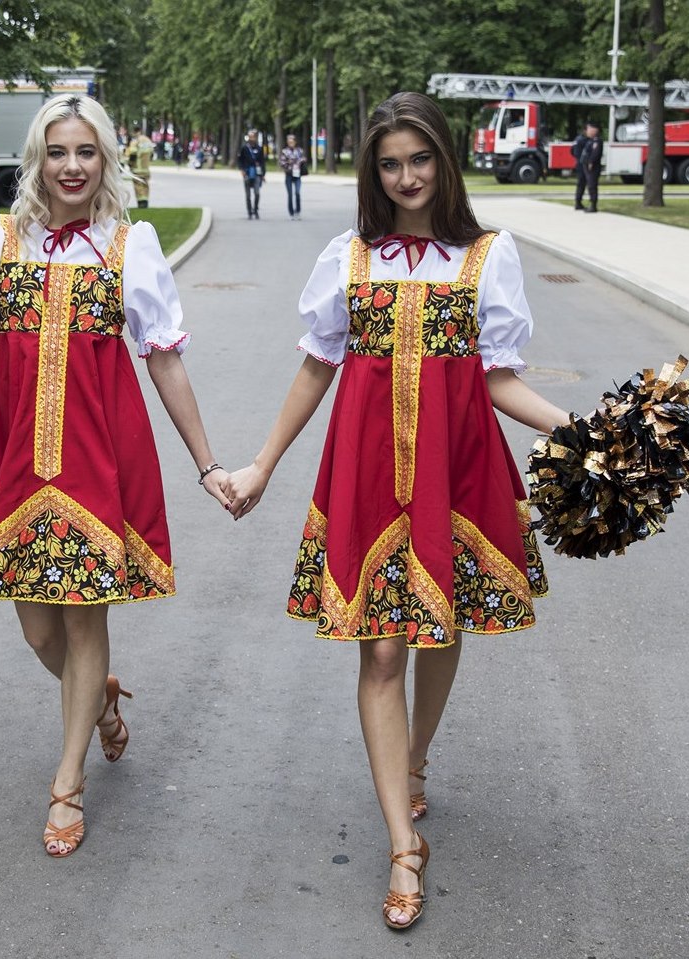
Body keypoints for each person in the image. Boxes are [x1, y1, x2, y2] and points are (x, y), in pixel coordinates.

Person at [222, 91, 572, 931]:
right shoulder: (349, 258)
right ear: (373, 173)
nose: (406, 176)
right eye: (390, 163)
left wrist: (591, 431)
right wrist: (262, 464)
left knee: (436, 628)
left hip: (455, 467)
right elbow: (316, 368)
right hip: (367, 472)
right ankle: (402, 844)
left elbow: (498, 378)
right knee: (380, 652)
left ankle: (412, 758)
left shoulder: (487, 256)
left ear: (443, 161)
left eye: (419, 159)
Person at [0, 93, 231, 859]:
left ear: (106, 161)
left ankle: (67, 783)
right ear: (38, 158)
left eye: (85, 152)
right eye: (57, 152)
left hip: (100, 455)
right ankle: (97, 700)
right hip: (15, 456)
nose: (71, 166)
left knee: (84, 613)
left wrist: (206, 463)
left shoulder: (131, 244)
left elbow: (163, 357)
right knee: (37, 629)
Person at [573, 120, 603, 213]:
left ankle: (592, 204)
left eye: (591, 129)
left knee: (591, 185)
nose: (589, 131)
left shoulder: (596, 140)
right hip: (583, 164)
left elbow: (595, 153)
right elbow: (575, 151)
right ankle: (578, 202)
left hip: (590, 166)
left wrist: (590, 161)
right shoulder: (582, 140)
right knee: (583, 184)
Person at [237, 128, 266, 219]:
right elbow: (240, 160)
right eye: (250, 136)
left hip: (257, 173)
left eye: (253, 136)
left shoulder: (259, 148)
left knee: (257, 193)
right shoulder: (244, 148)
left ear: (256, 137)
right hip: (247, 172)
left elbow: (262, 162)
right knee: (248, 194)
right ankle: (249, 211)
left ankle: (255, 209)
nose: (252, 138)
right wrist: (242, 170)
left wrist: (263, 174)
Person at [124, 124, 154, 208]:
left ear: (134, 132)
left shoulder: (135, 141)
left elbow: (133, 154)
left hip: (137, 168)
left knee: (138, 187)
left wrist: (130, 163)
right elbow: (151, 154)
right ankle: (146, 202)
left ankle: (141, 204)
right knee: (145, 185)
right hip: (146, 169)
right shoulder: (148, 140)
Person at [278, 133, 307, 220]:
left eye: (292, 141)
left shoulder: (299, 151)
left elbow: (304, 158)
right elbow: (282, 163)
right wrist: (289, 163)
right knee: (290, 194)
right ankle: (291, 213)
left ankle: (297, 211)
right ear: (287, 142)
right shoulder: (284, 151)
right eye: (289, 141)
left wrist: (299, 161)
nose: (291, 143)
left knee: (297, 193)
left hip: (297, 174)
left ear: (295, 142)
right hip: (289, 174)